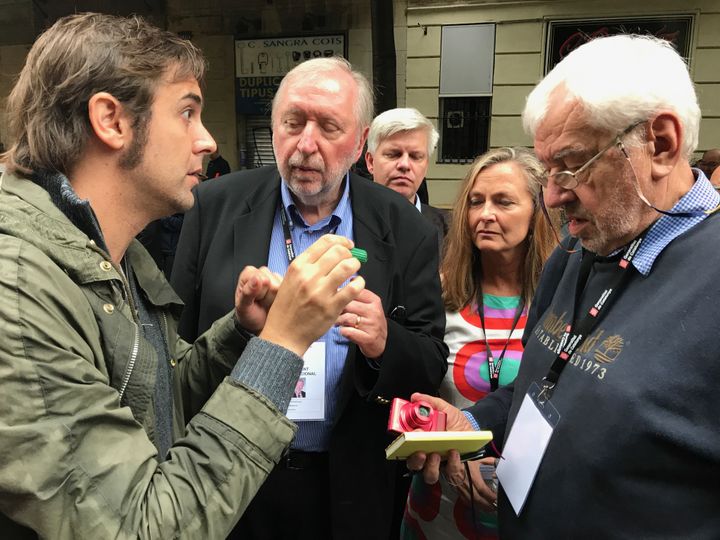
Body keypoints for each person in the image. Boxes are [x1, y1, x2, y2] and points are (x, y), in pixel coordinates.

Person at [0, 13, 366, 539]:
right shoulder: (19, 292)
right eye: (188, 113)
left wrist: (241, 337)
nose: (209, 141)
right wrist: (283, 344)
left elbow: (158, 402)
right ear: (112, 120)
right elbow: (141, 528)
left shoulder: (115, 255)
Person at [407, 34, 720, 538]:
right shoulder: (579, 249)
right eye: (547, 168)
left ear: (661, 143)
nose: (551, 196)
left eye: (571, 165)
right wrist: (473, 423)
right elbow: (540, 382)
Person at [170, 57, 448, 540]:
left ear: (361, 142)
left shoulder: (406, 228)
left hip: (348, 485)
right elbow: (177, 342)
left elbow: (430, 360)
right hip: (228, 481)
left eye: (328, 127)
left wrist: (385, 341)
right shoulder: (214, 207)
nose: (305, 144)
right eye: (293, 123)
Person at [401, 148, 557, 539]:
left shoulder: (561, 302)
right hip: (440, 503)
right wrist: (458, 448)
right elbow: (411, 394)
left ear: (538, 212)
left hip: (531, 504)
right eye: (475, 201)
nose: (484, 214)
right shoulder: (436, 293)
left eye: (503, 201)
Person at [366, 107, 450, 242]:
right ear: (370, 162)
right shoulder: (342, 221)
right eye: (393, 154)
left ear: (426, 166)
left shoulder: (452, 231)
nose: (404, 164)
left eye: (415, 156)